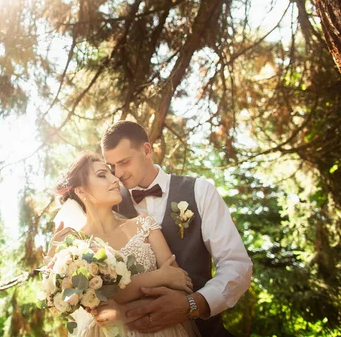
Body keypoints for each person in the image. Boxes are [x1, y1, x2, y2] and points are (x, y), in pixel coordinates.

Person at [93, 121, 253, 336]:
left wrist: (192, 304)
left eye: (124, 162)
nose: (118, 173)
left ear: (147, 150)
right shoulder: (109, 206)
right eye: (112, 166)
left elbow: (237, 265)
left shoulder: (199, 191)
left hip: (203, 331)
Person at [50, 152, 199, 337]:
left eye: (112, 174)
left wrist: (125, 306)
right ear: (80, 191)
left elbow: (179, 283)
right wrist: (160, 277)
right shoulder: (75, 246)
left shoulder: (144, 225)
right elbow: (98, 301)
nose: (115, 179)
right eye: (102, 175)